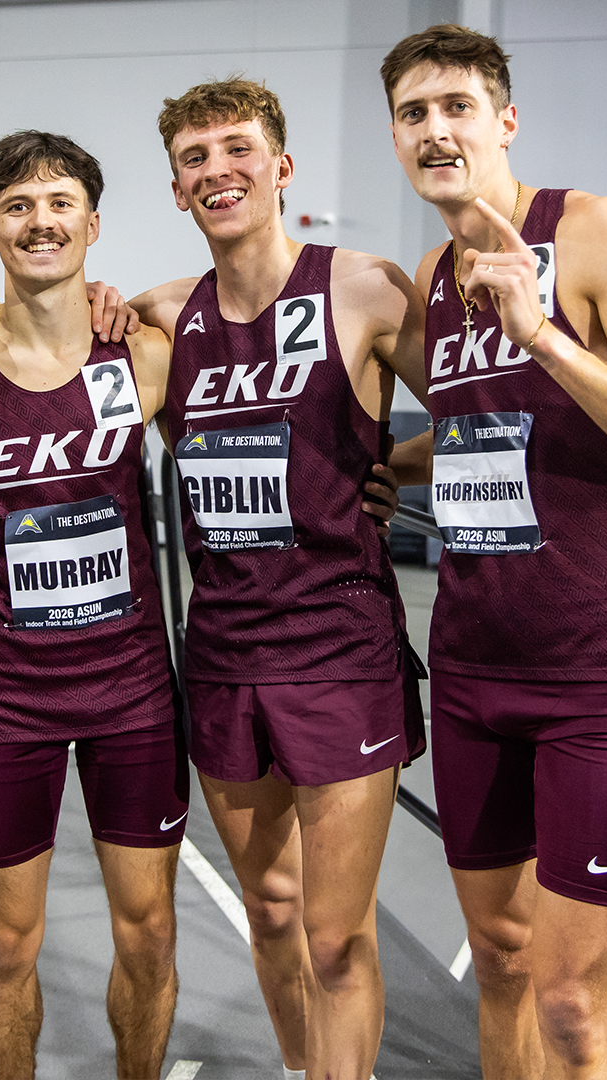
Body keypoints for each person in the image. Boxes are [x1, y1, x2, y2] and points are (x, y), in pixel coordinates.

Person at [379, 26, 607, 1078]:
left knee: (572, 1005)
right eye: (413, 113)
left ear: (506, 121)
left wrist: (541, 332)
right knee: (502, 962)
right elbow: (483, 427)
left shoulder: (600, 231)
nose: (436, 130)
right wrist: (383, 469)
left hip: (595, 673)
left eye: (458, 107)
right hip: (473, 665)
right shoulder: (434, 274)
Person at [126, 78, 430, 1080]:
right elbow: (27, 371)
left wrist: (398, 467)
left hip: (341, 652)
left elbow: (484, 402)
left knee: (337, 937)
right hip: (223, 655)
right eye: (195, 158)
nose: (218, 171)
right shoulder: (159, 317)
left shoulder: (366, 288)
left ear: (282, 167)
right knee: (270, 909)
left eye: (238, 149)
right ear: (176, 187)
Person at [0, 131, 184, 1080]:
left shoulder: (143, 358)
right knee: (7, 944)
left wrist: (377, 486)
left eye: (60, 203)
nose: (40, 221)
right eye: (16, 207)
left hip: (132, 693)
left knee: (148, 933)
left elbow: (250, 443)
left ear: (93, 224)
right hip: (5, 698)